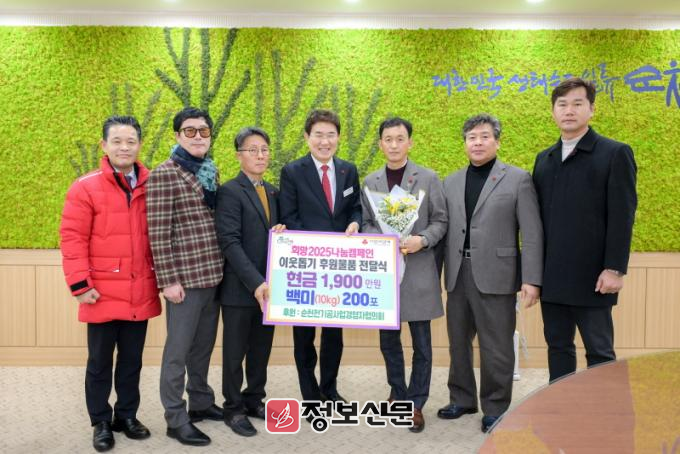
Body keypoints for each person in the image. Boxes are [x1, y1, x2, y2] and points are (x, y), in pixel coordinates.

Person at [60, 115, 161, 452]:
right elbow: (72, 238)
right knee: (100, 362)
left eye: (131, 141)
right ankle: (101, 421)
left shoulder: (153, 184)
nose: (124, 147)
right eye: (117, 141)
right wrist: (80, 284)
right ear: (104, 145)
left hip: (139, 288)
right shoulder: (85, 186)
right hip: (100, 291)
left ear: (139, 145)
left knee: (132, 360)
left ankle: (126, 416)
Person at [438, 113, 543, 433]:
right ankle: (462, 398)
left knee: (496, 345)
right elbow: (443, 229)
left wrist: (531, 278)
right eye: (472, 137)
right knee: (458, 341)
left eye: (485, 136)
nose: (478, 142)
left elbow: (532, 232)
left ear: (497, 141)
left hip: (498, 273)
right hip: (458, 272)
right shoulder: (451, 181)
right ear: (465, 143)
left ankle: (496, 407)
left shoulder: (518, 179)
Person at [533, 78, 637, 383]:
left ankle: (602, 408)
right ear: (553, 111)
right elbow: (537, 222)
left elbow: (623, 214)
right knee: (558, 347)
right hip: (553, 276)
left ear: (591, 109)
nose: (569, 111)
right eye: (562, 104)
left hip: (594, 277)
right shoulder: (544, 159)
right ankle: (562, 405)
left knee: (599, 351)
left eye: (577, 104)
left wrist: (614, 268)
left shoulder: (614, 153)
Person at [360, 117, 447, 433]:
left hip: (418, 269)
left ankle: (416, 403)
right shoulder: (370, 181)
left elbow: (441, 221)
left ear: (410, 142)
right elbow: (366, 222)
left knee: (422, 344)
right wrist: (381, 238)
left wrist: (421, 239)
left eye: (400, 139)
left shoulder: (428, 178)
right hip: (384, 274)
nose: (394, 145)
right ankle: (398, 393)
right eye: (388, 139)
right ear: (380, 144)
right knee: (388, 342)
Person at [146, 107, 224, 446]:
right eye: (189, 131)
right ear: (177, 135)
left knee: (202, 348)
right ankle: (175, 418)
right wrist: (168, 281)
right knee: (177, 352)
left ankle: (201, 402)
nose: (197, 137)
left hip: (213, 275)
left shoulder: (210, 170)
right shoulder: (164, 174)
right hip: (184, 281)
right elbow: (158, 232)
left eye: (203, 131)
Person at [279, 109, 362, 403]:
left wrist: (355, 223)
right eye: (318, 135)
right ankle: (310, 393)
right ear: (307, 137)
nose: (324, 141)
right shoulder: (292, 171)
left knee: (333, 335)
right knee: (304, 336)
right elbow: (289, 215)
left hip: (338, 268)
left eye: (330, 135)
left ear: (338, 138)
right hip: (307, 267)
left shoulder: (348, 170)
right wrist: (317, 247)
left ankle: (330, 388)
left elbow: (355, 208)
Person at [215, 127, 285, 437]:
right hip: (241, 289)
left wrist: (283, 232)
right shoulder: (230, 191)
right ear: (239, 155)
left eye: (264, 150)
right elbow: (229, 242)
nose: (260, 155)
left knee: (260, 349)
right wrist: (256, 282)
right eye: (252, 150)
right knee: (234, 353)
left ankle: (254, 399)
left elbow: (276, 233)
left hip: (269, 289)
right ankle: (233, 408)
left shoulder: (273, 191)